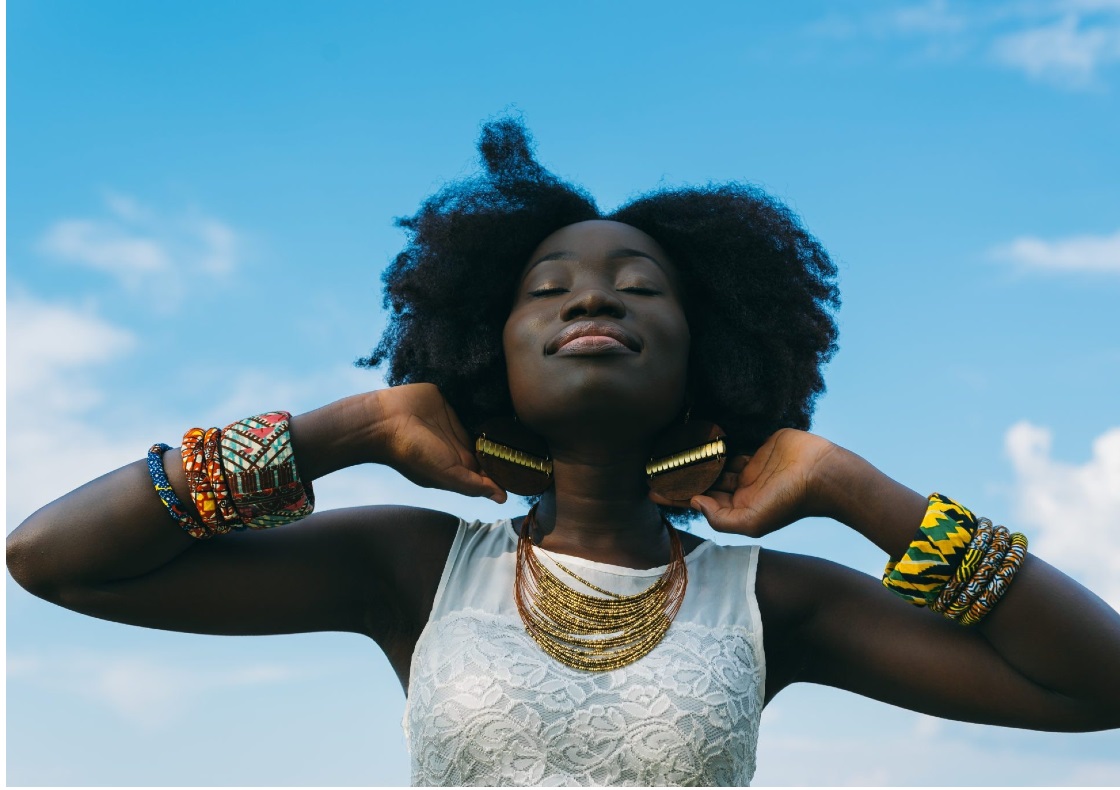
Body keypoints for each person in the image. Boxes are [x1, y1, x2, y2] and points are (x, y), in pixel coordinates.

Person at [7, 118, 1120, 787]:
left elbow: (1096, 682)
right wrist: (345, 430)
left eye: (641, 288)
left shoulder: (771, 602)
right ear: (487, 353)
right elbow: (55, 556)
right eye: (548, 289)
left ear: (710, 358)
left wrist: (850, 487)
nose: (592, 291)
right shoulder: (415, 568)